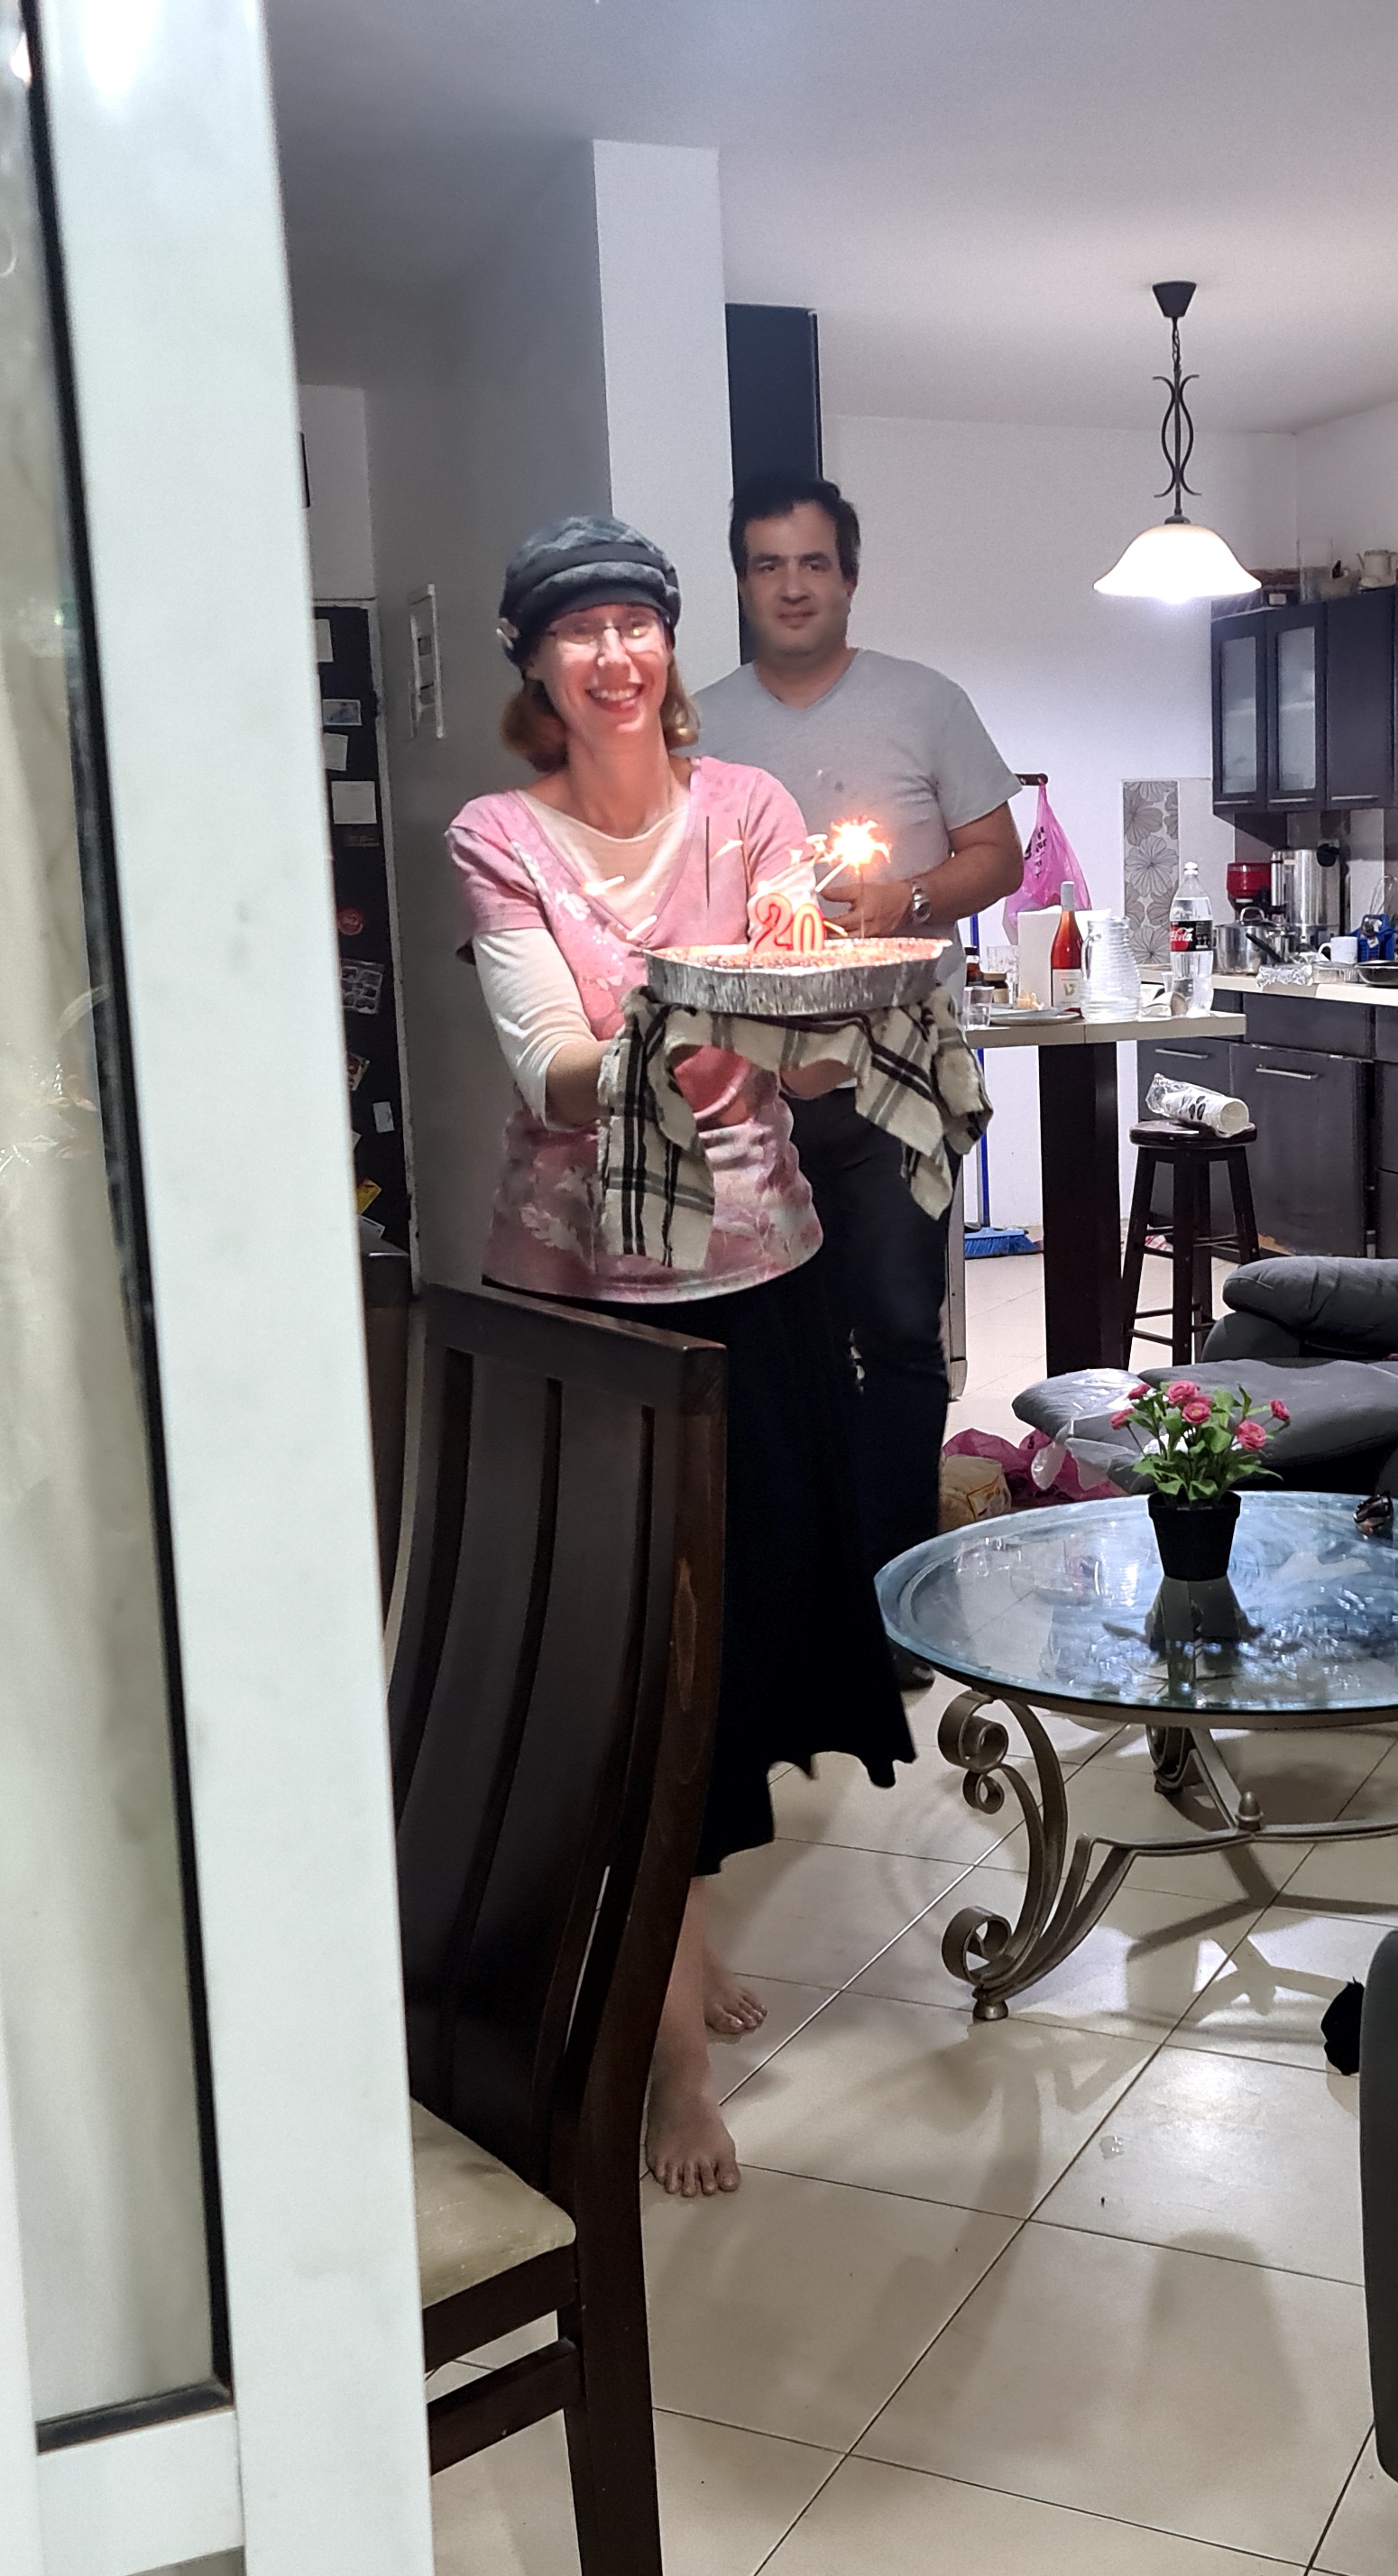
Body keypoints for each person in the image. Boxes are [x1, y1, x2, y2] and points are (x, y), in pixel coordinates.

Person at [446, 515, 912, 2197]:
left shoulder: (754, 813)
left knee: (739, 1639)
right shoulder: (502, 835)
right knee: (633, 1659)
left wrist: (816, 992)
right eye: (576, 629)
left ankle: (685, 1937)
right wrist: (705, 1005)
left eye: (635, 622)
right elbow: (553, 1070)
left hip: (757, 1277)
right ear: (535, 665)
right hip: (587, 1300)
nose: (614, 654)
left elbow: (808, 1068)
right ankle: (673, 2066)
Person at [693, 482, 1025, 1631]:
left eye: (813, 563)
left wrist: (910, 896)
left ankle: (894, 1599)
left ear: (848, 576)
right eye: (767, 564)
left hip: (898, 1082)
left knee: (896, 1331)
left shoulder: (924, 703)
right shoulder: (699, 728)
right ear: (742, 581)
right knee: (776, 1348)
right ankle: (806, 1606)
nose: (791, 586)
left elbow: (998, 855)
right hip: (749, 1091)